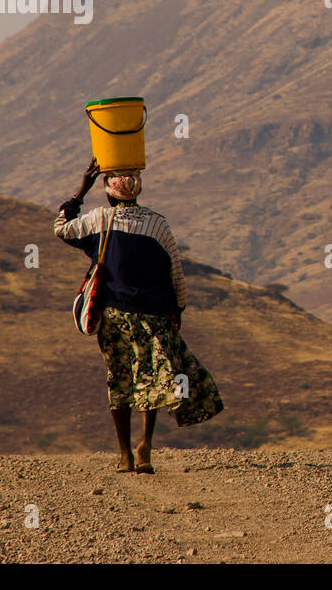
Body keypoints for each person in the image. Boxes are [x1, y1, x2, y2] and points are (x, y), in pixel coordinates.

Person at [54, 159, 223, 473]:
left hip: (115, 317)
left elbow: (61, 228)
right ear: (136, 190)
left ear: (108, 193)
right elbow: (176, 273)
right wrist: (179, 309)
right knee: (151, 378)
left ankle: (124, 454)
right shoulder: (158, 225)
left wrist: (80, 191)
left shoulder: (99, 220)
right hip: (155, 315)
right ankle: (145, 445)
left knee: (120, 379)